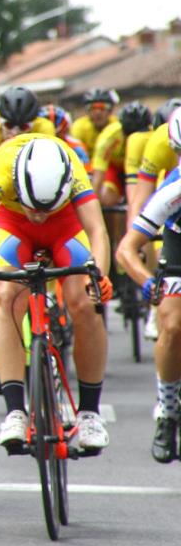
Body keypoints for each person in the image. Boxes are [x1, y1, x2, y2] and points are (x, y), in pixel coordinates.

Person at [0, 134, 113, 452]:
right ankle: (15, 410)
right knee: (4, 297)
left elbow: (97, 229)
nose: (39, 214)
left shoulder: (73, 166)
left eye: (46, 208)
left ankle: (89, 413)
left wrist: (100, 278)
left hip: (66, 225)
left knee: (85, 302)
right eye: (35, 207)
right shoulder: (0, 165)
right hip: (13, 225)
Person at [115, 154, 181, 463]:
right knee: (172, 323)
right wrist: (147, 283)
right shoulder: (173, 190)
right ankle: (168, 410)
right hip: (178, 250)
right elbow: (126, 250)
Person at [0, 86, 56, 194]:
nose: (15, 133)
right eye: (9, 125)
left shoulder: (44, 128)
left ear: (34, 123)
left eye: (23, 127)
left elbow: (47, 175)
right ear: (0, 120)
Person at [72, 88, 118, 159]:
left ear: (110, 110)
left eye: (102, 107)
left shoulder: (117, 125)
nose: (98, 112)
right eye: (92, 107)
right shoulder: (79, 127)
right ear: (87, 111)